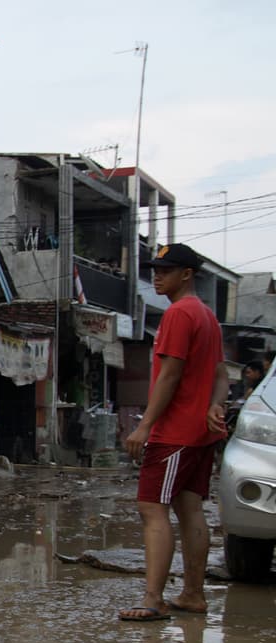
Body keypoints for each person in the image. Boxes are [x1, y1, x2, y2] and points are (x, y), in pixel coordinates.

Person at [119, 243, 229, 621]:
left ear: (187, 275)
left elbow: (169, 374)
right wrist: (216, 405)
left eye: (166, 270)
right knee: (190, 507)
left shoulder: (179, 315)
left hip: (174, 433)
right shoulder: (207, 316)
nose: (157, 276)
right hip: (200, 433)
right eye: (155, 270)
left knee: (152, 508)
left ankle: (153, 599)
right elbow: (220, 374)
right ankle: (193, 594)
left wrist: (145, 426)